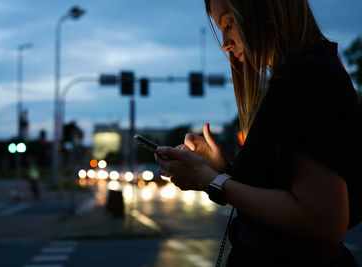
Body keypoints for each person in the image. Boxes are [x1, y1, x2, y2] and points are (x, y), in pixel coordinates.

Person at [154, 0, 360, 265]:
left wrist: (210, 181)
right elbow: (281, 192)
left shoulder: (307, 77)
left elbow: (323, 222)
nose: (225, 42)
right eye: (221, 28)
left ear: (266, 10)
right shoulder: (301, 75)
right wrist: (221, 169)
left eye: (230, 23)